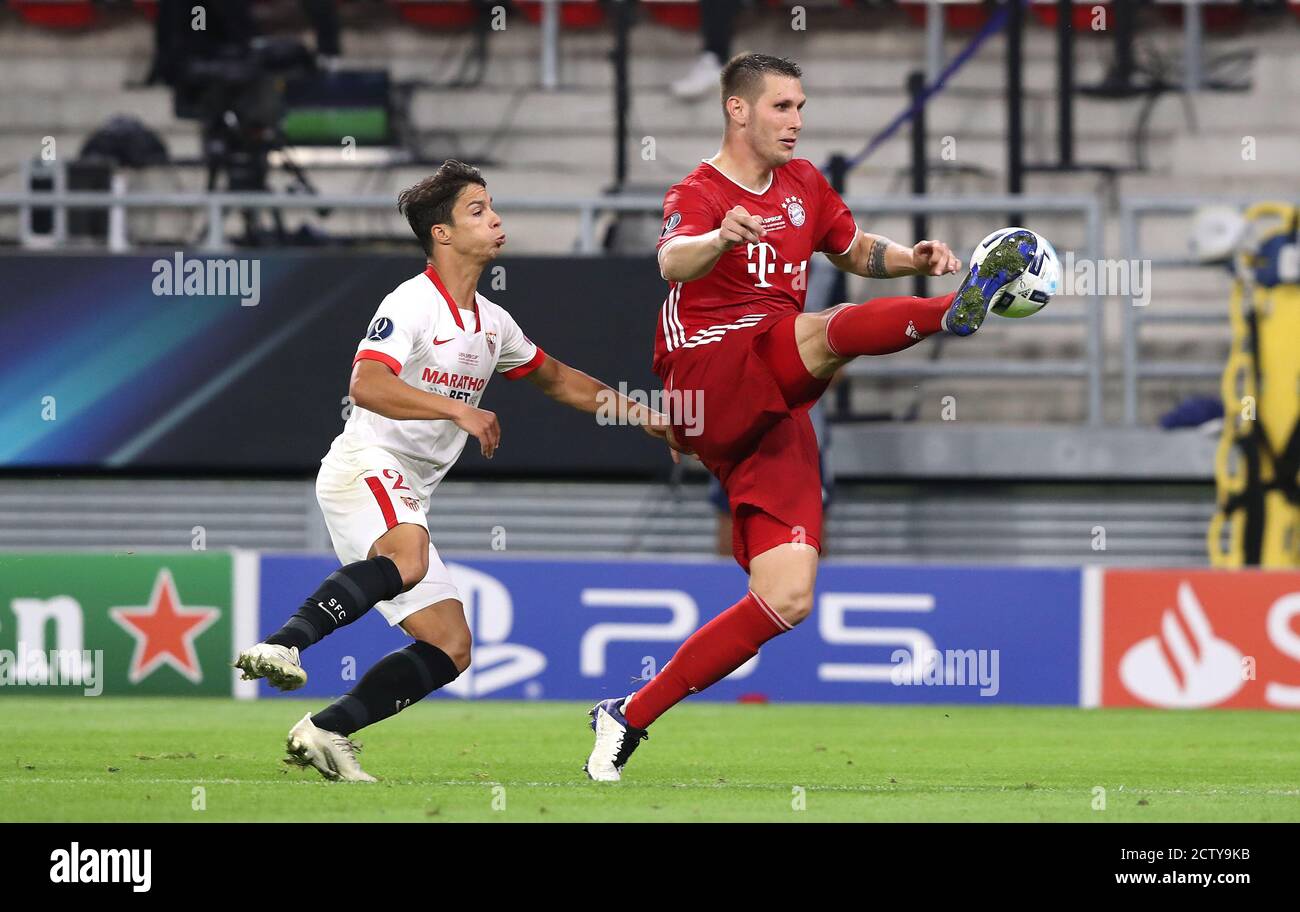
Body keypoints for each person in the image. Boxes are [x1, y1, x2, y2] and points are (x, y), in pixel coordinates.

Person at [584, 54, 1041, 781]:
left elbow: (854, 248)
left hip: (771, 395)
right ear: (738, 110)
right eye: (781, 108)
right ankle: (949, 315)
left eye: (800, 107)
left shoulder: (804, 186)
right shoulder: (698, 191)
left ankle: (629, 714)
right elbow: (673, 262)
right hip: (705, 375)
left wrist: (911, 257)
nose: (796, 122)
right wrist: (720, 240)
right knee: (823, 331)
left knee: (788, 596)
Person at [234, 160, 680, 781]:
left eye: (491, 206)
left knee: (451, 646)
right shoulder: (412, 303)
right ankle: (284, 641)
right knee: (409, 559)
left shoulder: (492, 323)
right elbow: (366, 384)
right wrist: (459, 411)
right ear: (440, 234)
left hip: (402, 491)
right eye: (477, 210)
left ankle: (326, 730)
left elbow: (556, 379)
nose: (494, 218)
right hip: (365, 464)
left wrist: (643, 416)